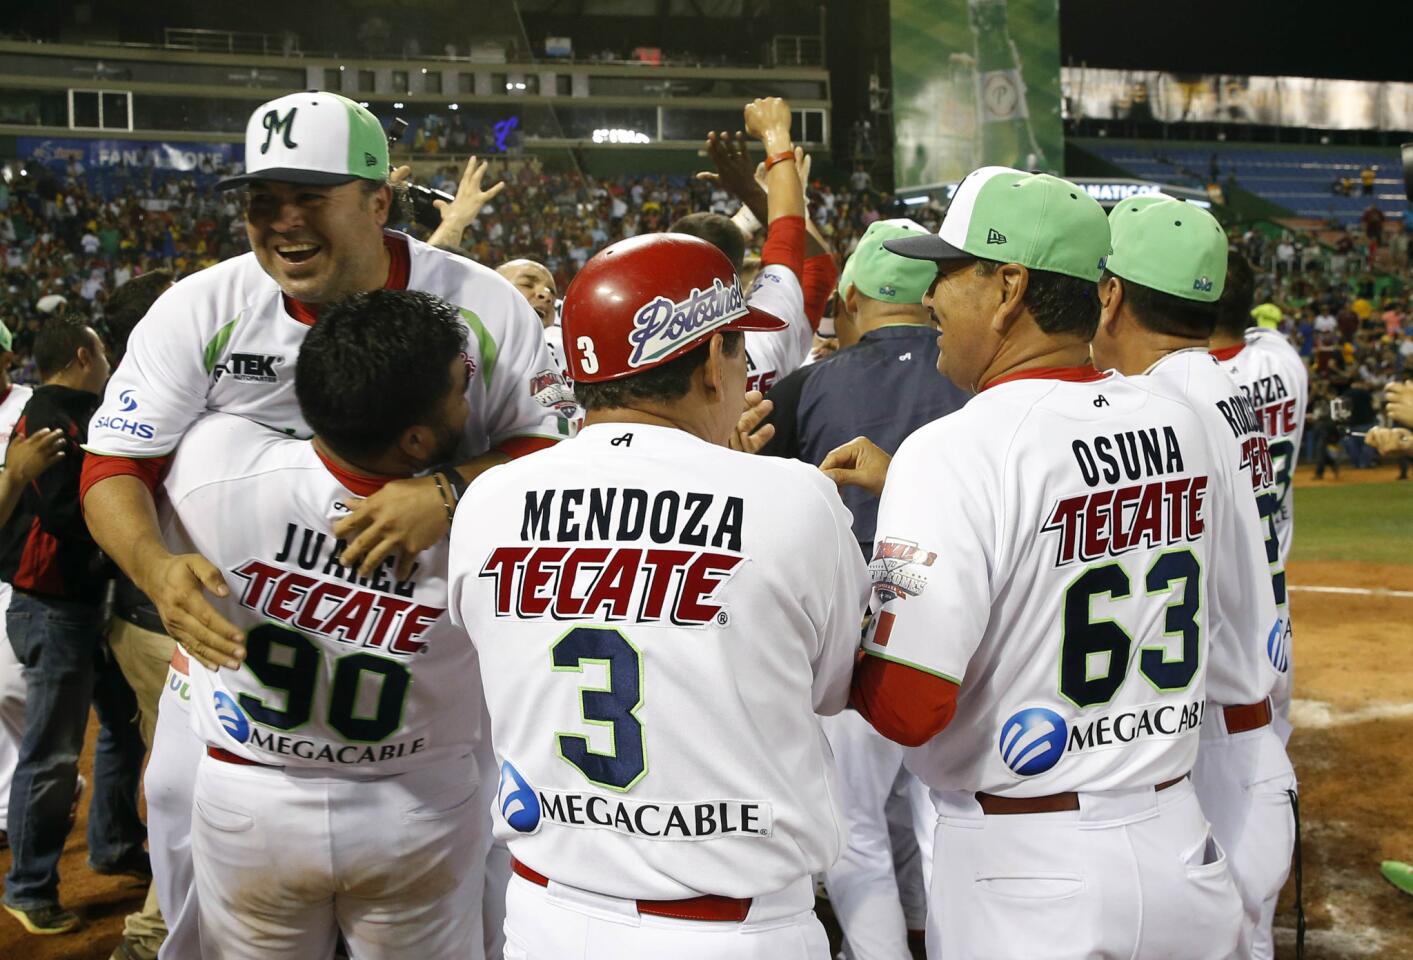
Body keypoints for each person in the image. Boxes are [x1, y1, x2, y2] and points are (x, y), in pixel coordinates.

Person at [80, 91, 566, 960]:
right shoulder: (202, 306)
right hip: (246, 645)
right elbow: (112, 464)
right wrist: (155, 569)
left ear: (380, 202)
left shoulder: (486, 307)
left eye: (311, 195)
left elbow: (549, 454)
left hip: (425, 656)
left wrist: (449, 487)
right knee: (184, 822)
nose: (283, 222)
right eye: (264, 200)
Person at [824, 167, 1242, 959]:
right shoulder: (1176, 416)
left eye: (946, 274)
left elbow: (906, 706)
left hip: (1027, 874)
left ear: (1008, 286)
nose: (928, 299)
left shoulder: (953, 449)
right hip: (1182, 845)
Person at [448, 233, 870, 959]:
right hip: (736, 931)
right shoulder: (791, 496)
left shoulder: (488, 498)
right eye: (737, 350)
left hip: (548, 918)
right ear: (711, 361)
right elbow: (831, 688)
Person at [166, 289, 490, 960]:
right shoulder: (488, 519)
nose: (473, 399)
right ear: (417, 440)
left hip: (250, 795)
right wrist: (455, 486)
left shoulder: (211, 461)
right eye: (460, 389)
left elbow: (131, 445)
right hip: (418, 804)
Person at [758, 216, 968, 959]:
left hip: (859, 647)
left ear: (849, 297)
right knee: (939, 815)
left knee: (855, 835)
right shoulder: (975, 377)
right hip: (967, 637)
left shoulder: (808, 385)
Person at [1090, 195, 1294, 960]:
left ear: (1110, 293)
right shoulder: (1224, 383)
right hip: (1241, 740)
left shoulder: (1159, 401)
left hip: (1205, 761)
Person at [0, 315, 149, 936]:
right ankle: (29, 885)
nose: (110, 361)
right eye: (104, 352)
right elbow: (64, 511)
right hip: (53, 606)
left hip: (86, 604)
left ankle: (113, 843)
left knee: (121, 726)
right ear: (86, 354)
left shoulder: (72, 413)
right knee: (53, 751)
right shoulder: (49, 416)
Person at [1210, 250, 1308, 738]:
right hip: (1273, 608)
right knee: (1274, 756)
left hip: (1216, 629)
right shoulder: (1284, 360)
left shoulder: (1193, 387)